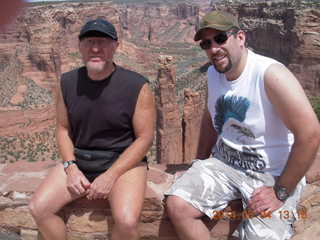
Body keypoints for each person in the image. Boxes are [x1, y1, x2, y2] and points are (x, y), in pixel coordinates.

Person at [165, 10, 320, 240]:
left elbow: (310, 134)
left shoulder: (270, 74)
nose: (213, 49)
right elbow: (210, 120)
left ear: (240, 37)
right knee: (178, 206)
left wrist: (280, 191)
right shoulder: (212, 74)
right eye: (206, 44)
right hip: (224, 165)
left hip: (273, 174)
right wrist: (198, 162)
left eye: (220, 38)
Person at [29, 19, 156, 240]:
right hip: (81, 158)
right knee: (39, 208)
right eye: (89, 42)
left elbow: (145, 139)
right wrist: (71, 167)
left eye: (103, 42)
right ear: (79, 46)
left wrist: (110, 176)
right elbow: (62, 129)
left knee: (126, 222)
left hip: (123, 162)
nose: (95, 48)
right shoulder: (67, 82)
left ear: (116, 46)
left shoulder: (137, 86)